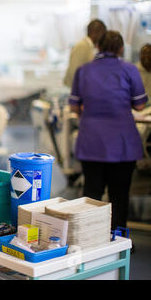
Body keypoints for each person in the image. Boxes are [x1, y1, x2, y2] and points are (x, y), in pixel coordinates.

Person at [69, 30, 148, 231]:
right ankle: (119, 238)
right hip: (122, 141)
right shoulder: (130, 70)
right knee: (119, 193)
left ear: (98, 46)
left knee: (92, 194)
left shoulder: (83, 71)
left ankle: (90, 239)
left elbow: (74, 107)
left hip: (91, 140)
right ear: (121, 49)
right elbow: (140, 106)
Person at [63, 19, 107, 88]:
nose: (103, 38)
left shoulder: (89, 46)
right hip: (75, 90)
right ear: (96, 33)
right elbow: (74, 72)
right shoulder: (82, 46)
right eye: (103, 34)